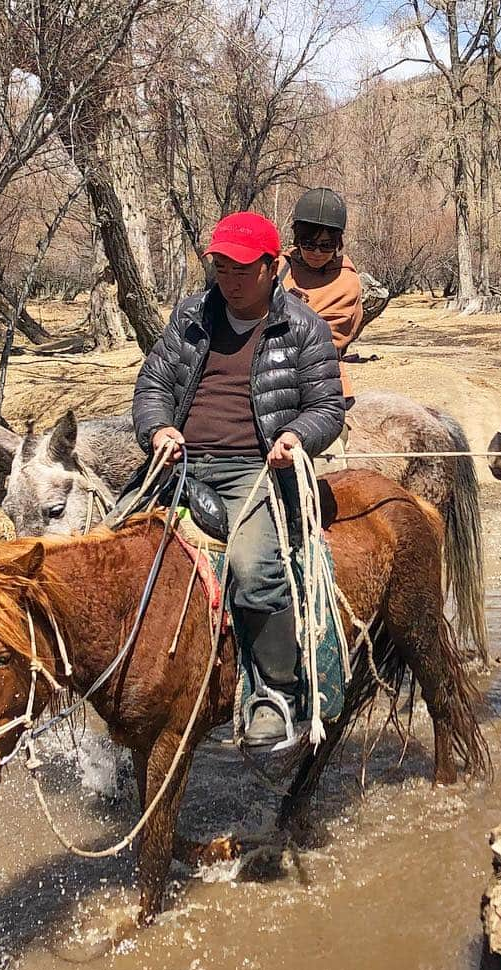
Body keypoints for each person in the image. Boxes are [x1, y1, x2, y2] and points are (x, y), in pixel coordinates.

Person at [132, 211, 345, 749]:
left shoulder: (302, 327)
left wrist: (296, 435)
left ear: (273, 267)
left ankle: (276, 693)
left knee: (252, 569)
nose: (228, 276)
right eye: (221, 264)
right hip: (177, 464)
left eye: (242, 267)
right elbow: (153, 384)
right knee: (110, 547)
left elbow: (326, 407)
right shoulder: (191, 316)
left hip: (254, 470)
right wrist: (157, 428)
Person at [280, 188, 364, 402]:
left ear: (338, 243)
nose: (317, 253)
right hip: (270, 379)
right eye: (309, 243)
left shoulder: (347, 281)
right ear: (297, 239)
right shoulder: (279, 267)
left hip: (323, 383)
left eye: (326, 246)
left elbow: (327, 339)